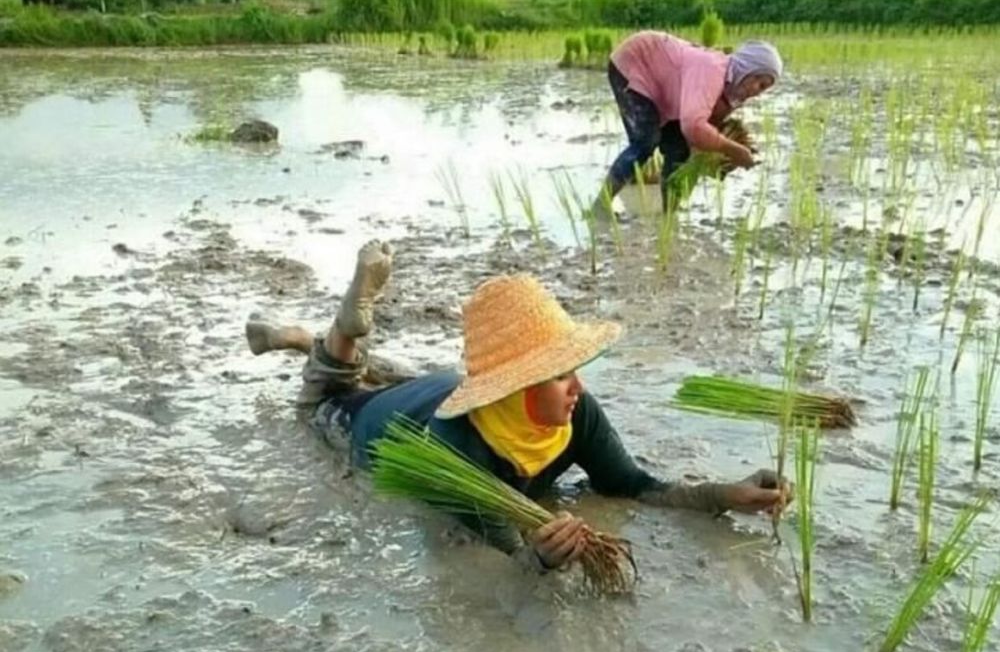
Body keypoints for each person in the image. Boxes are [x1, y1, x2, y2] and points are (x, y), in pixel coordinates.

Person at [247, 240, 791, 572]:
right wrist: (542, 559)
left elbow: (634, 485)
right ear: (515, 387)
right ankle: (336, 330)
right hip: (383, 421)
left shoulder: (574, 411)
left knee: (376, 370)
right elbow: (510, 555)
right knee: (324, 399)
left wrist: (726, 493)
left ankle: (308, 338)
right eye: (559, 375)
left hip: (441, 388)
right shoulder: (456, 457)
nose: (576, 387)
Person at [593, 31, 782, 219]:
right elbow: (693, 126)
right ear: (747, 68)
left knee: (679, 150)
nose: (758, 91)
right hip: (636, 61)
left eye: (764, 88)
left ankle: (669, 214)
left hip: (665, 87)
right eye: (760, 82)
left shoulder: (733, 92)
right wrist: (734, 150)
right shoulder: (712, 69)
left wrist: (714, 158)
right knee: (646, 141)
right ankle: (600, 207)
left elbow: (701, 131)